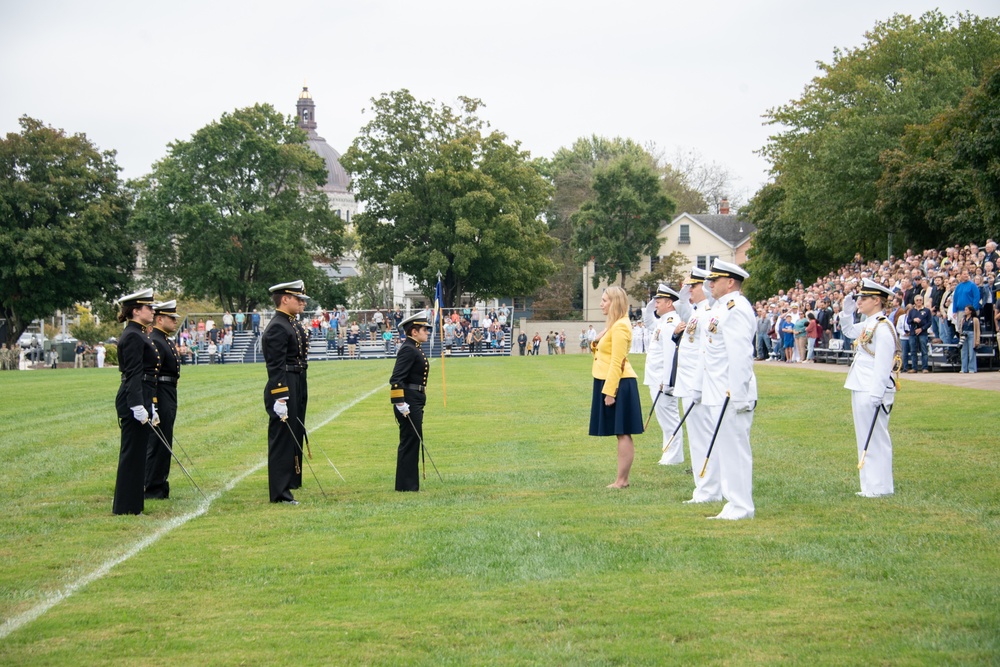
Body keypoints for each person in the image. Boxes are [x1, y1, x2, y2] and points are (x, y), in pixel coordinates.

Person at [702, 259, 757, 520]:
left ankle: (742, 506)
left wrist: (738, 395)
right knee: (726, 450)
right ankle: (732, 502)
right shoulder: (722, 308)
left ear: (730, 282)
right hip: (718, 390)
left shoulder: (736, 309)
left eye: (715, 280)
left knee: (735, 450)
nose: (710, 284)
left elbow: (741, 355)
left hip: (730, 392)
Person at [839, 279, 900, 497]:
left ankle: (880, 487)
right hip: (861, 384)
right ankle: (870, 485)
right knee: (864, 437)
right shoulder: (871, 323)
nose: (859, 302)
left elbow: (884, 363)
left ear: (877, 301)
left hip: (872, 388)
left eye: (863, 299)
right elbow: (848, 331)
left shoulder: (883, 326)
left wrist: (877, 393)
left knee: (876, 438)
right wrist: (846, 313)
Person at [589, 285, 643, 489]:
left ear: (614, 303)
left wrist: (610, 392)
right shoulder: (615, 325)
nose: (601, 304)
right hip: (611, 380)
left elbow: (617, 361)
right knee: (620, 432)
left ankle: (622, 480)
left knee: (623, 432)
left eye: (604, 300)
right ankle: (621, 479)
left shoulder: (620, 326)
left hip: (619, 382)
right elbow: (601, 351)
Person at [261, 280, 310, 504]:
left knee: (294, 432)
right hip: (285, 382)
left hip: (297, 379)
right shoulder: (278, 326)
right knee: (282, 438)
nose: (302, 302)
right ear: (285, 299)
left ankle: (291, 480)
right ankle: (279, 493)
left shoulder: (290, 323)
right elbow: (275, 365)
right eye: (298, 298)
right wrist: (280, 395)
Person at [112, 288, 159, 515]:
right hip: (134, 397)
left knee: (138, 453)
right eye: (148, 307)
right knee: (132, 453)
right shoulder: (132, 335)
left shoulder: (139, 333)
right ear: (136, 310)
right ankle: (126, 507)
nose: (152, 311)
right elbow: (133, 373)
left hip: (143, 395)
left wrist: (150, 404)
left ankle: (133, 505)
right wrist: (137, 404)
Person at [642, 284, 685, 465]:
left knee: (669, 419)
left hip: (662, 380)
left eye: (659, 302)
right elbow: (647, 320)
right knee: (664, 418)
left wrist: (667, 382)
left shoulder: (670, 323)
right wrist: (652, 302)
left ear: (669, 303)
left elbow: (670, 355)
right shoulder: (663, 321)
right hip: (656, 378)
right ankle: (669, 453)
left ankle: (673, 456)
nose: (655, 305)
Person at [389, 310, 432, 491]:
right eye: (424, 329)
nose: (427, 332)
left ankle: (409, 483)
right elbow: (396, 379)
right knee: (409, 439)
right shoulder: (408, 348)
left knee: (414, 439)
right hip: (409, 401)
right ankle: (406, 485)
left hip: (416, 399)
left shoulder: (414, 347)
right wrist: (400, 403)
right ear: (414, 331)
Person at [145, 300, 181, 499]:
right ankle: (152, 486)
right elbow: (154, 375)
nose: (175, 321)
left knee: (165, 439)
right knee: (158, 442)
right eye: (171, 318)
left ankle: (160, 482)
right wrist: (154, 402)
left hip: (169, 391)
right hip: (161, 392)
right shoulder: (156, 340)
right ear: (160, 319)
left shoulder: (164, 339)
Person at [959, 305, 980, 373]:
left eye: (966, 310)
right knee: (963, 352)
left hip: (972, 334)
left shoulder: (975, 319)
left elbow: (977, 330)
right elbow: (961, 329)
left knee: (971, 352)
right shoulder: (963, 319)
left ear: (970, 311)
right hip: (964, 335)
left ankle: (972, 368)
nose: (965, 311)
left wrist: (977, 340)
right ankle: (963, 368)